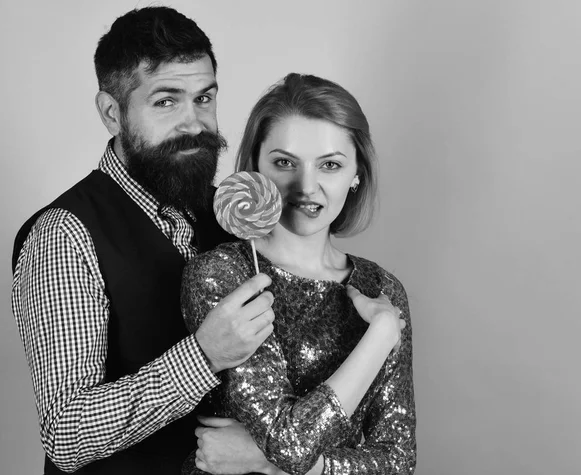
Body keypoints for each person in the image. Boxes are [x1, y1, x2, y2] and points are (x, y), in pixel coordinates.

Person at [11, 7, 275, 475]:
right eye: (166, 101)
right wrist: (204, 355)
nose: (194, 124)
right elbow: (66, 434)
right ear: (112, 113)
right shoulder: (63, 234)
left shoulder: (235, 215)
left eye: (205, 98)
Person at [181, 73, 417, 475]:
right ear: (256, 164)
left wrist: (263, 462)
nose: (306, 186)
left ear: (356, 174)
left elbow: (397, 461)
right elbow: (290, 442)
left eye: (330, 165)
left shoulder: (381, 289)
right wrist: (379, 338)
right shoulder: (223, 275)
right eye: (285, 162)